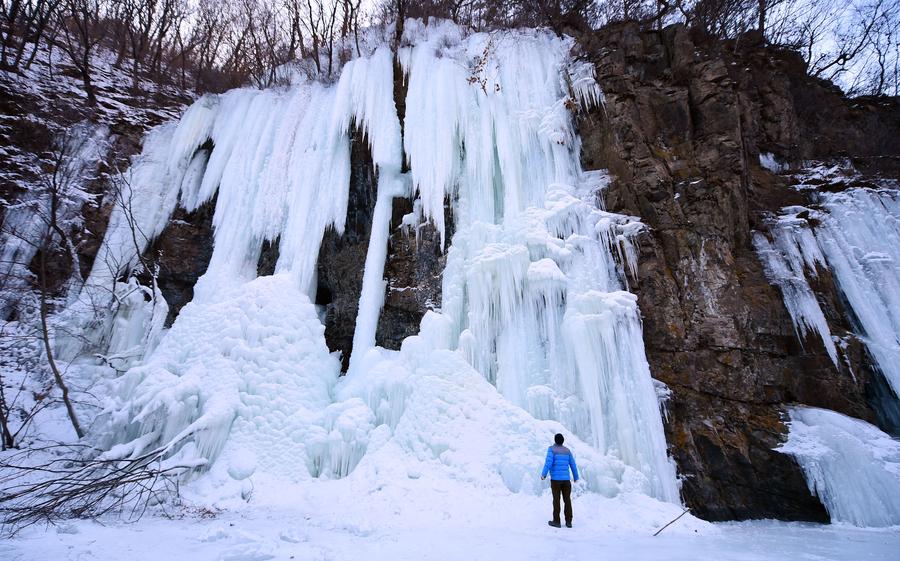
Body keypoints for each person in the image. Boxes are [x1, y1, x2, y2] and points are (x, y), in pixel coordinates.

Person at [541, 433, 579, 528]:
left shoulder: (551, 449)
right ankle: (568, 521)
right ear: (563, 441)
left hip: (555, 480)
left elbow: (548, 463)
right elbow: (573, 465)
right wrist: (576, 477)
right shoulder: (567, 451)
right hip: (566, 480)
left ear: (555, 440)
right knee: (567, 500)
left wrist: (543, 474)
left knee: (556, 500)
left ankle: (557, 521)